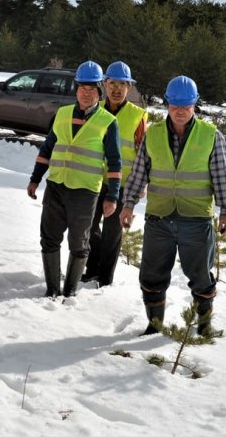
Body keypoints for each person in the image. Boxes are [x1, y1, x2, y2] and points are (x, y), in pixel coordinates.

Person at [119, 75, 226, 337]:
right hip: (159, 219)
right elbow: (139, 173)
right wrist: (128, 205)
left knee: (202, 277)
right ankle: (154, 325)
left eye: (186, 105)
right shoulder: (154, 134)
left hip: (196, 220)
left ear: (195, 105)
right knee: (151, 276)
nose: (180, 111)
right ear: (167, 104)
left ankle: (204, 326)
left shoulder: (211, 135)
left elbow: (221, 176)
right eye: (175, 105)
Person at [27, 60, 122, 299]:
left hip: (85, 191)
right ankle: (51, 290)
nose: (86, 93)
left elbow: (115, 162)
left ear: (99, 91)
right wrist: (35, 179)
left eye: (92, 89)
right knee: (49, 238)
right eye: (82, 88)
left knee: (79, 243)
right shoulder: (62, 114)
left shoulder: (108, 122)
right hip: (56, 186)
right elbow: (47, 148)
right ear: (76, 89)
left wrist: (112, 196)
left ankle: (69, 292)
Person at [82, 61, 147, 287]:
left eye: (122, 84)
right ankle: (91, 269)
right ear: (105, 84)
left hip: (121, 185)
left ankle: (105, 278)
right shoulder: (93, 109)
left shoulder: (139, 116)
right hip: (93, 180)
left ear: (129, 88)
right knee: (88, 227)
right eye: (112, 83)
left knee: (112, 233)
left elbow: (143, 154)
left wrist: (141, 185)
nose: (117, 89)